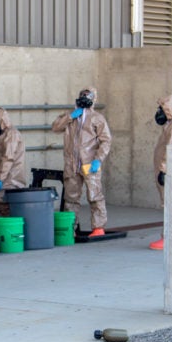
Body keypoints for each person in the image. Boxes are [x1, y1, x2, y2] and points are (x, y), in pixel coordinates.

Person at [51, 87, 111, 237]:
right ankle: (70, 229)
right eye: (82, 95)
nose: (84, 98)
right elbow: (55, 127)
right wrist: (70, 116)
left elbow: (106, 141)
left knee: (94, 195)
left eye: (87, 96)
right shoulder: (70, 116)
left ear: (93, 99)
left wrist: (98, 160)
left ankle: (98, 227)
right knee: (71, 198)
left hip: (89, 164)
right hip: (72, 165)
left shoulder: (97, 118)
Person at [149, 94, 172, 251]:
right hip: (164, 169)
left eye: (161, 109)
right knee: (168, 203)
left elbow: (171, 148)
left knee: (170, 204)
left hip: (168, 172)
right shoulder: (170, 124)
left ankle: (168, 238)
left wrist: (164, 170)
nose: (158, 112)